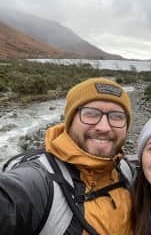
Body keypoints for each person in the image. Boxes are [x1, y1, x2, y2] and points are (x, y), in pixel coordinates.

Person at [0, 78, 133, 235]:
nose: (103, 127)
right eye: (91, 113)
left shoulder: (125, 170)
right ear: (69, 122)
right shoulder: (39, 181)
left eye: (116, 116)